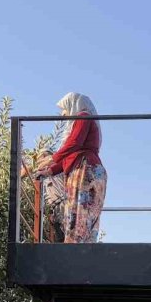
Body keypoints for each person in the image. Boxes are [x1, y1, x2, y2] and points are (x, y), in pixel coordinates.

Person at [33, 92, 107, 243]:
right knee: (87, 212)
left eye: (64, 109)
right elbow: (71, 154)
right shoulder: (85, 120)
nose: (63, 114)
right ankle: (84, 244)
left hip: (85, 169)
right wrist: (49, 171)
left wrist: (51, 159)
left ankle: (75, 246)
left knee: (78, 210)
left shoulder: (83, 116)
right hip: (92, 169)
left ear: (72, 104)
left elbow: (74, 143)